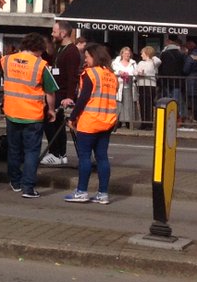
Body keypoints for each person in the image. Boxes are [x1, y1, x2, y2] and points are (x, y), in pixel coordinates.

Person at [1, 32, 57, 198]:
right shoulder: (40, 65)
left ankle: (15, 182)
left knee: (14, 149)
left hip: (12, 112)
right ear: (39, 49)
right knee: (32, 152)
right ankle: (28, 188)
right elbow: (50, 92)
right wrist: (51, 110)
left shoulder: (7, 60)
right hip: (32, 114)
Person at [64, 44, 119, 204]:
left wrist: (72, 117)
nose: (85, 60)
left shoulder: (91, 73)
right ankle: (103, 193)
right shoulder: (111, 75)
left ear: (95, 56)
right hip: (107, 121)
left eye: (87, 57)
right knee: (102, 158)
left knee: (84, 157)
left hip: (89, 122)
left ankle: (81, 191)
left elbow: (83, 99)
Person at [42, 20, 80, 166]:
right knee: (56, 124)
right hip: (56, 90)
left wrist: (69, 97)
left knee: (51, 121)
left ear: (63, 33)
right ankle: (61, 153)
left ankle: (56, 152)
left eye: (54, 31)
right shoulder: (59, 49)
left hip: (62, 93)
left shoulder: (71, 51)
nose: (52, 34)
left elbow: (72, 76)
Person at [111, 46, 138, 129]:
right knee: (118, 104)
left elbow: (135, 73)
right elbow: (113, 71)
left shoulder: (133, 63)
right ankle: (117, 122)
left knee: (128, 105)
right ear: (122, 54)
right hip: (119, 86)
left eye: (129, 53)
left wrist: (131, 76)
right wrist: (119, 73)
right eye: (126, 53)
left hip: (129, 86)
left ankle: (128, 122)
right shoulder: (115, 63)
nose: (127, 55)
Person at [157, 34, 186, 109]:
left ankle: (168, 115)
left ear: (168, 42)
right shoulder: (181, 54)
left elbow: (161, 67)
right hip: (177, 80)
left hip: (166, 80)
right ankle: (178, 116)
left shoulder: (164, 53)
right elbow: (184, 67)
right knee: (176, 100)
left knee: (166, 100)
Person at [135, 44, 159, 129]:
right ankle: (143, 123)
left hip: (150, 85)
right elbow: (135, 71)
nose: (141, 55)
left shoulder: (153, 62)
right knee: (142, 104)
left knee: (148, 104)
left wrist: (150, 57)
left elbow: (158, 60)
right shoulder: (141, 63)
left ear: (147, 53)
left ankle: (149, 123)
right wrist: (138, 73)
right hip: (141, 84)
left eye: (143, 53)